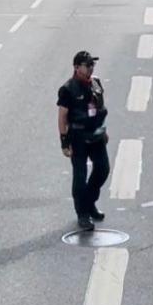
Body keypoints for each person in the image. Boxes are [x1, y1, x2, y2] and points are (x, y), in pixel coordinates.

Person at [56, 50, 110, 231]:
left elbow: (100, 107)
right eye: (87, 65)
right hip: (78, 137)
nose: (90, 68)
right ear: (77, 67)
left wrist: (104, 131)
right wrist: (64, 142)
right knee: (80, 177)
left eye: (92, 65)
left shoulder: (96, 83)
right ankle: (83, 214)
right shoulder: (68, 89)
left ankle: (89, 202)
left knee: (103, 169)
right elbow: (62, 116)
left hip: (96, 135)